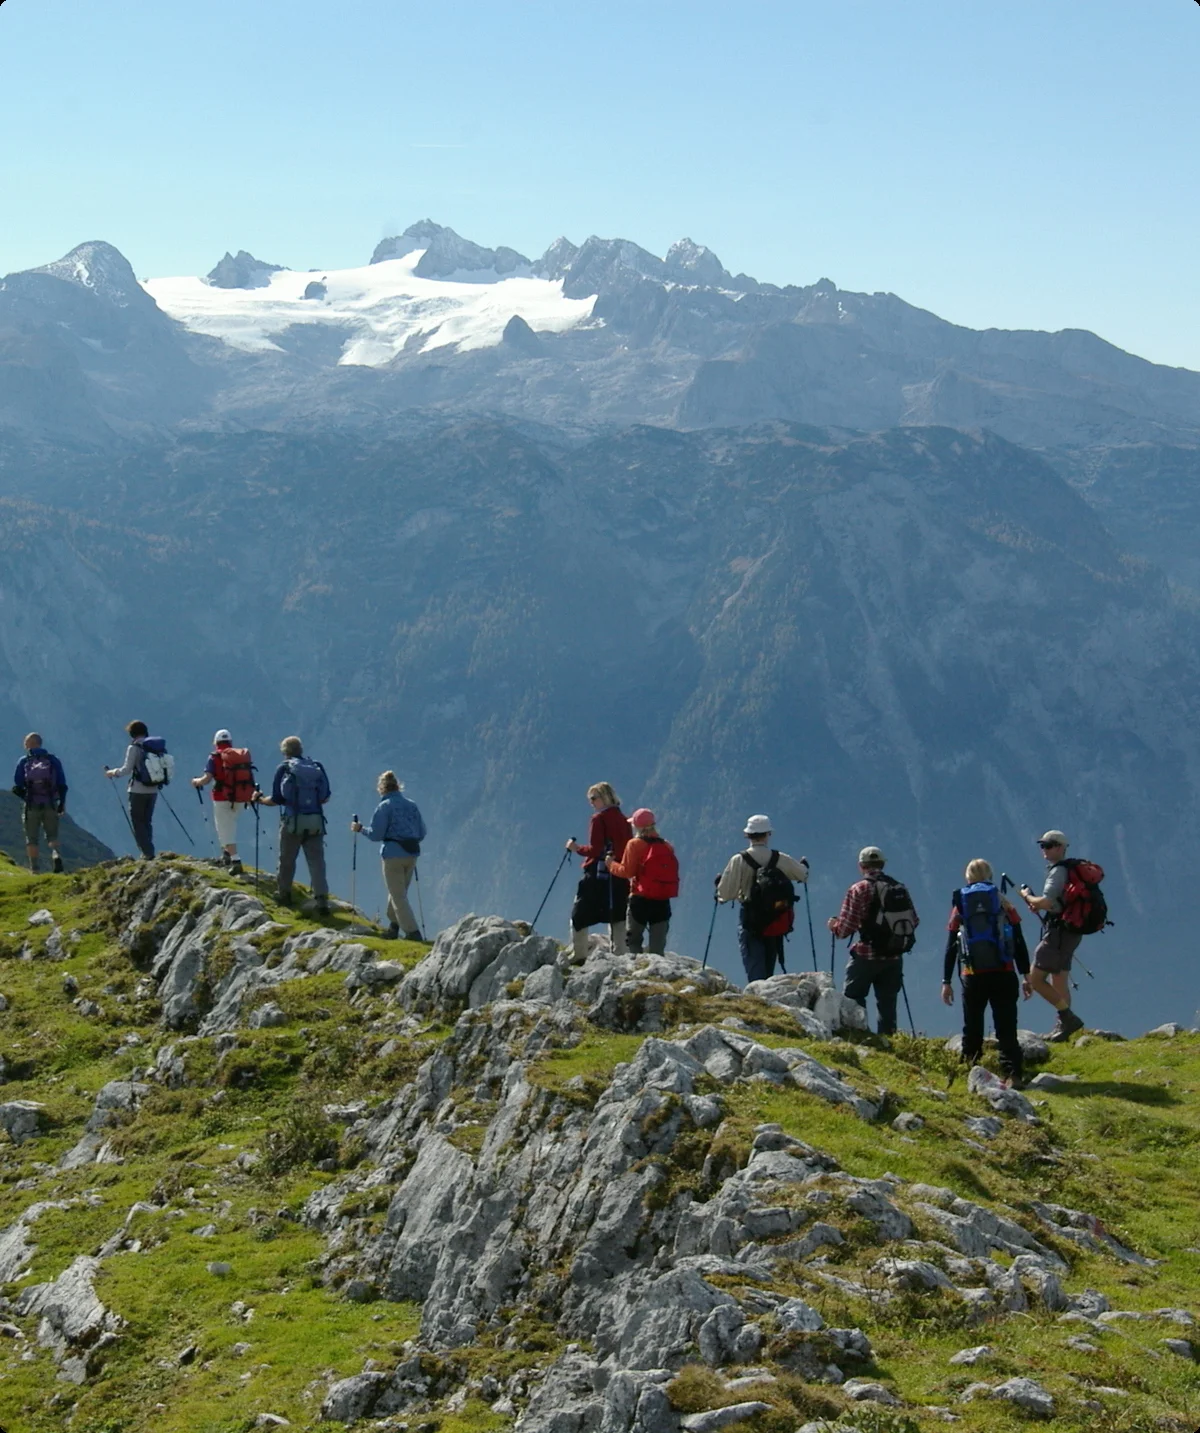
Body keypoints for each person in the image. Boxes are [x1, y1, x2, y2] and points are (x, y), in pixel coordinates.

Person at [941, 859, 1032, 1086]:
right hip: (1004, 971)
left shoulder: (961, 905)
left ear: (968, 877)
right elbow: (1019, 941)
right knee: (1006, 1028)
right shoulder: (1004, 904)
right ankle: (1013, 1074)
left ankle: (971, 1070)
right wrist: (1026, 975)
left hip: (972, 974)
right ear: (990, 875)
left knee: (972, 1026)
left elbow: (951, 944)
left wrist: (946, 981)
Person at [827, 846, 918, 1035]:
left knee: (853, 998)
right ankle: (888, 1040)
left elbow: (845, 929)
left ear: (861, 866)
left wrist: (834, 926)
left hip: (866, 955)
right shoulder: (899, 887)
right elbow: (913, 921)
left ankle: (860, 1037)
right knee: (887, 1003)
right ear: (882, 864)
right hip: (894, 956)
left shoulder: (858, 889)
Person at [716, 814, 809, 983]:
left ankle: (757, 998)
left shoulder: (739, 860)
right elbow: (803, 875)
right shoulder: (779, 858)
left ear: (748, 835)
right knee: (769, 965)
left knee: (754, 967)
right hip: (774, 919)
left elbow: (725, 894)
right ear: (768, 834)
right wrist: (803, 866)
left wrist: (718, 887)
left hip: (750, 919)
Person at [1020, 830, 1085, 1041]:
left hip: (1058, 933)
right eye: (1042, 846)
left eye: (1048, 845)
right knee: (1060, 978)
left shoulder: (1058, 871)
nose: (1044, 850)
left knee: (1036, 978)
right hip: (1072, 932)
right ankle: (1064, 1028)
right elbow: (1055, 903)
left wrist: (1028, 896)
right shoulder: (1070, 870)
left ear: (1060, 847)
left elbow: (1047, 901)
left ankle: (1067, 1019)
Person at [254, 736, 331, 915]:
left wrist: (259, 800)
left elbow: (276, 799)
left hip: (292, 822)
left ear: (285, 752)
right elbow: (325, 796)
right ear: (301, 749)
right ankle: (322, 900)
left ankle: (284, 894)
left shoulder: (284, 768)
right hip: (315, 822)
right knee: (317, 862)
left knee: (287, 859)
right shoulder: (317, 767)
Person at [351, 771, 426, 940]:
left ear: (382, 787)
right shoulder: (412, 805)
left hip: (393, 855)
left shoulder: (384, 807)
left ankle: (413, 933)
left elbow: (376, 835)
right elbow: (422, 832)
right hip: (412, 854)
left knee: (398, 896)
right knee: (399, 892)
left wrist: (360, 829)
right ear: (398, 785)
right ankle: (393, 927)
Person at [565, 782, 630, 960]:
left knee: (580, 913)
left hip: (597, 874)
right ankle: (620, 955)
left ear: (604, 797)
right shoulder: (623, 819)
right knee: (617, 913)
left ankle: (579, 954)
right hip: (618, 872)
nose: (591, 802)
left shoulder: (598, 819)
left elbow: (595, 850)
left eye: (594, 798)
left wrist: (576, 848)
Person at [605, 808, 678, 954]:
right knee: (658, 946)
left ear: (637, 826)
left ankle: (635, 971)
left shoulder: (634, 844)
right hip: (662, 900)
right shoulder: (667, 846)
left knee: (633, 941)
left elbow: (627, 872)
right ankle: (657, 973)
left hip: (640, 899)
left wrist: (610, 865)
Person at [192, 730, 255, 874]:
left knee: (225, 830)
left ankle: (235, 860)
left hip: (221, 797)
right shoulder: (238, 757)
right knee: (230, 825)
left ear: (215, 743)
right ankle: (226, 855)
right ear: (230, 742)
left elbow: (206, 779)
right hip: (240, 797)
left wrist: (196, 781)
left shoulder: (214, 757)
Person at [105, 720, 170, 860]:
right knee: (147, 821)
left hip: (138, 790)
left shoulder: (134, 747)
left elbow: (127, 769)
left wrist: (113, 772)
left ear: (132, 734)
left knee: (137, 822)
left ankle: (148, 853)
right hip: (153, 790)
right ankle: (148, 850)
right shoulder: (154, 747)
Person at [12, 732, 67, 874]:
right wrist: (61, 803)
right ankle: (56, 855)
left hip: (31, 804)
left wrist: (25, 796)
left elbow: (17, 784)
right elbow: (62, 784)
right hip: (50, 802)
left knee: (32, 837)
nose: (24, 744)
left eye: (26, 741)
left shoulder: (24, 761)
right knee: (52, 835)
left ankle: (35, 869)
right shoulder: (53, 760)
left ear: (31, 744)